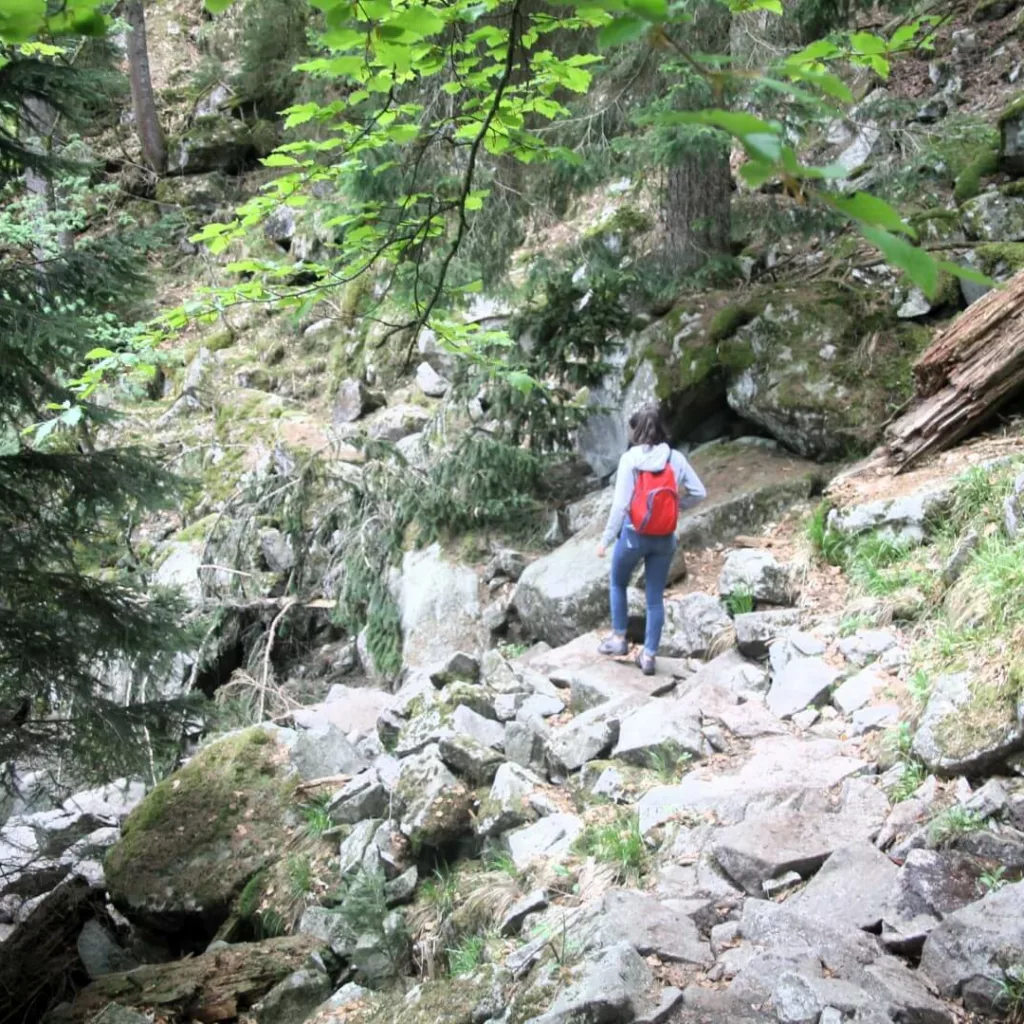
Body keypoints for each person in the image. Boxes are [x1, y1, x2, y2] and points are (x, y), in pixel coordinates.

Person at [596, 405, 706, 675]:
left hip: (634, 535)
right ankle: (648, 656)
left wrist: (606, 539)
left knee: (618, 582)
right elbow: (699, 492)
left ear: (636, 430)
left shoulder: (631, 460)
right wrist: (678, 506)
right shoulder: (676, 459)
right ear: (662, 428)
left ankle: (619, 640)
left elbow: (621, 504)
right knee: (655, 598)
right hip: (664, 538)